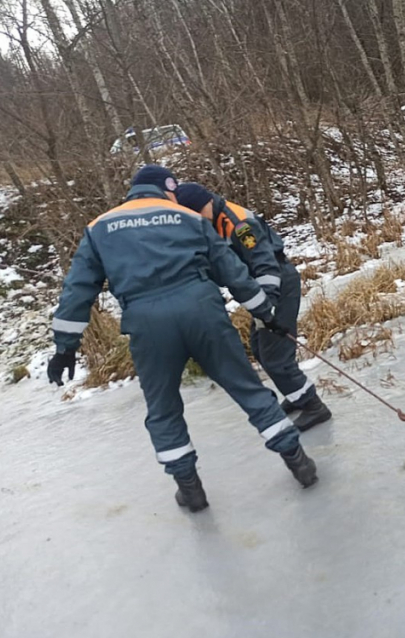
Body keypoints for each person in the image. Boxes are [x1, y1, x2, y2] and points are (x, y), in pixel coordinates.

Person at [46, 165, 318, 513]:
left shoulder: (99, 228)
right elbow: (232, 271)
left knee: (163, 409)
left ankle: (190, 490)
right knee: (248, 388)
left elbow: (77, 291)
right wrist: (265, 311)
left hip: (147, 323)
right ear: (168, 189)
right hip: (203, 311)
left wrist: (65, 347)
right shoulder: (186, 217)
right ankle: (298, 461)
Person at [175, 183, 331, 432]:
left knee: (275, 357)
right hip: (259, 288)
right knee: (260, 349)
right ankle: (296, 395)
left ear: (203, 205)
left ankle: (314, 406)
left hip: (277, 283)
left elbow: (264, 262)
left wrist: (268, 306)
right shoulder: (212, 221)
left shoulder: (240, 224)